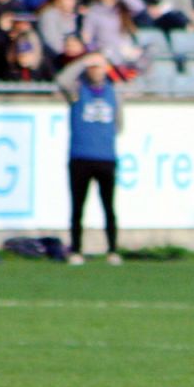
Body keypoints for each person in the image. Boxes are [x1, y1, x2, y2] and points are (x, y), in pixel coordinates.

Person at [57, 51, 122, 265]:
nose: (95, 70)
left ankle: (112, 249)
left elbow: (119, 124)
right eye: (92, 67)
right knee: (78, 207)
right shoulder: (78, 91)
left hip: (106, 158)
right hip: (80, 157)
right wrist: (82, 61)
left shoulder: (113, 92)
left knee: (109, 207)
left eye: (99, 66)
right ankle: (76, 249)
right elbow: (61, 80)